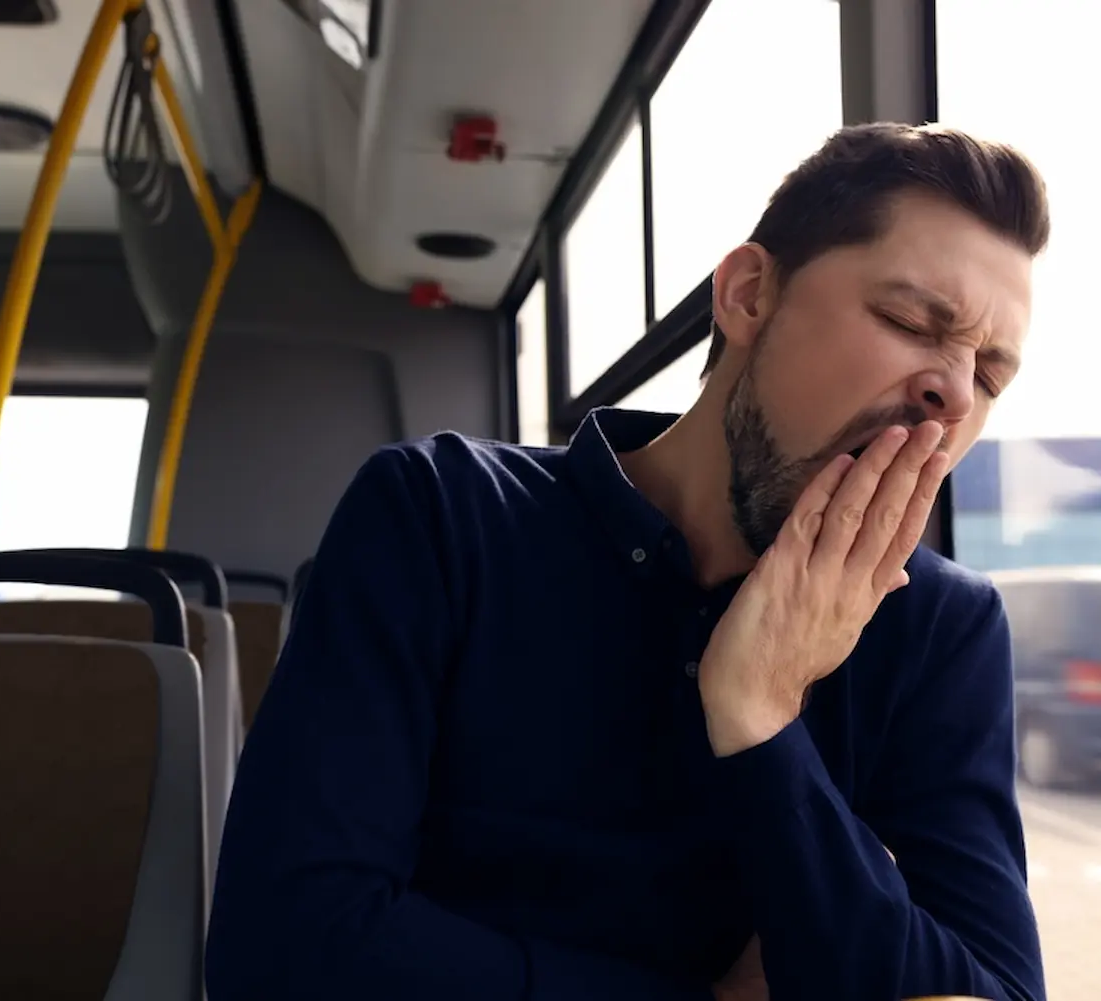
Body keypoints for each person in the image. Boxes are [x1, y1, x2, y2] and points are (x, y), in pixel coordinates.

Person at [204, 122, 1050, 1001]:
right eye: (910, 320)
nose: (951, 392)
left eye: (988, 376)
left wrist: (760, 720)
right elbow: (278, 956)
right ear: (750, 295)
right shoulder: (441, 517)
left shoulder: (940, 627)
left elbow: (991, 992)